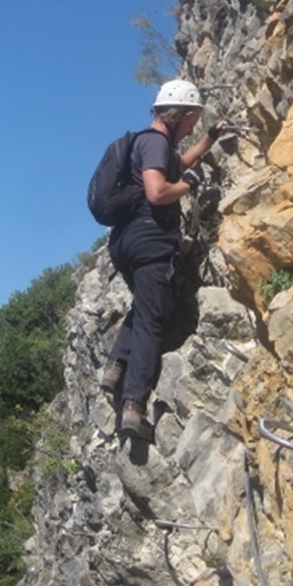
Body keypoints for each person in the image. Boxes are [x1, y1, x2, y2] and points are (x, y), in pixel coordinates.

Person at [100, 79, 224, 441]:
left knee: (147, 302)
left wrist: (210, 138)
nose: (191, 128)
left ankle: (115, 365)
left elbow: (180, 162)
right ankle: (134, 406)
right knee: (154, 321)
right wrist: (190, 184)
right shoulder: (155, 142)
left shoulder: (154, 145)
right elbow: (157, 192)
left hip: (126, 242)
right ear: (177, 114)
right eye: (191, 121)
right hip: (149, 240)